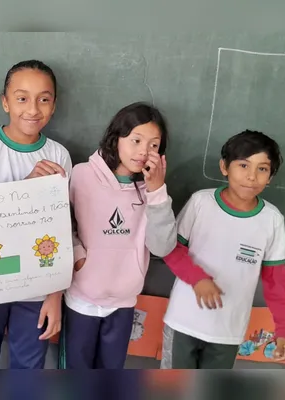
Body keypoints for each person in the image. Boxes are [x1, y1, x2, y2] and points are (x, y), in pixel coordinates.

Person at [0, 60, 72, 369]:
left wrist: (54, 295)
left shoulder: (59, 155)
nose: (33, 109)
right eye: (22, 98)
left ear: (53, 105)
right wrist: (26, 187)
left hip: (36, 283)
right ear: (5, 102)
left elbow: (61, 229)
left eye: (44, 99)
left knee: (29, 368)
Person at [160, 129, 285, 369]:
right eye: (243, 165)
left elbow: (275, 281)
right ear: (224, 167)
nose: (252, 176)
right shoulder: (201, 203)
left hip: (228, 331)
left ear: (271, 176)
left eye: (262, 169)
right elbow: (171, 250)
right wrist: (198, 279)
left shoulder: (271, 219)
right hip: (184, 322)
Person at [59, 102, 177, 369]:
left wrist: (157, 191)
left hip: (124, 303)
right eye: (136, 140)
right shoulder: (82, 175)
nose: (143, 152)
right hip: (82, 300)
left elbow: (162, 247)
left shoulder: (152, 190)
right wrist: (79, 257)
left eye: (154, 145)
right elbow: (62, 223)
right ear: (117, 139)